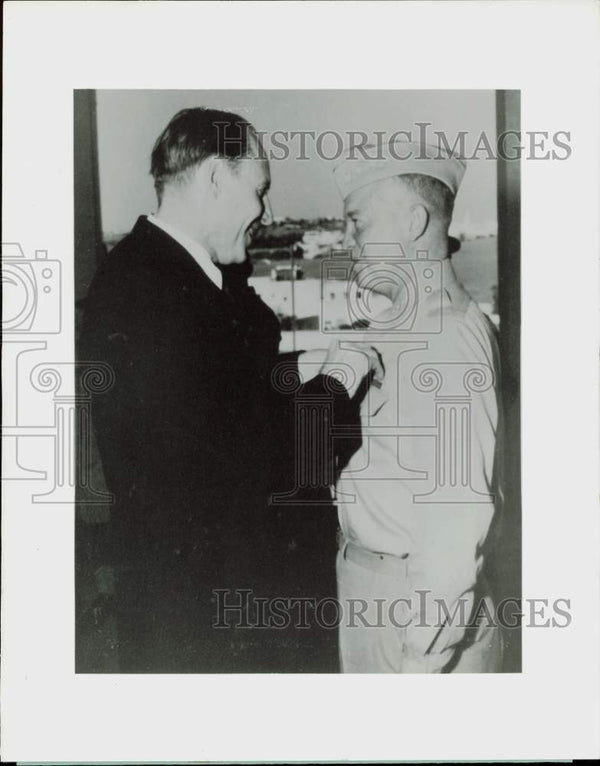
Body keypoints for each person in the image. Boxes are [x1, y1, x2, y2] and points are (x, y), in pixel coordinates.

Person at [79, 107, 378, 672]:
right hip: (216, 627)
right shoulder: (149, 296)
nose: (265, 212)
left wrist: (309, 364)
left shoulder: (174, 276)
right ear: (216, 177)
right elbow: (258, 460)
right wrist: (341, 377)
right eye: (259, 190)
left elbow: (227, 396)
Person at [329, 138, 503, 673]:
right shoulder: (402, 325)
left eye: (358, 222)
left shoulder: (446, 344)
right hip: (377, 595)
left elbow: (452, 536)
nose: (348, 239)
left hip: (414, 620)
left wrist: (418, 666)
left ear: (412, 222)